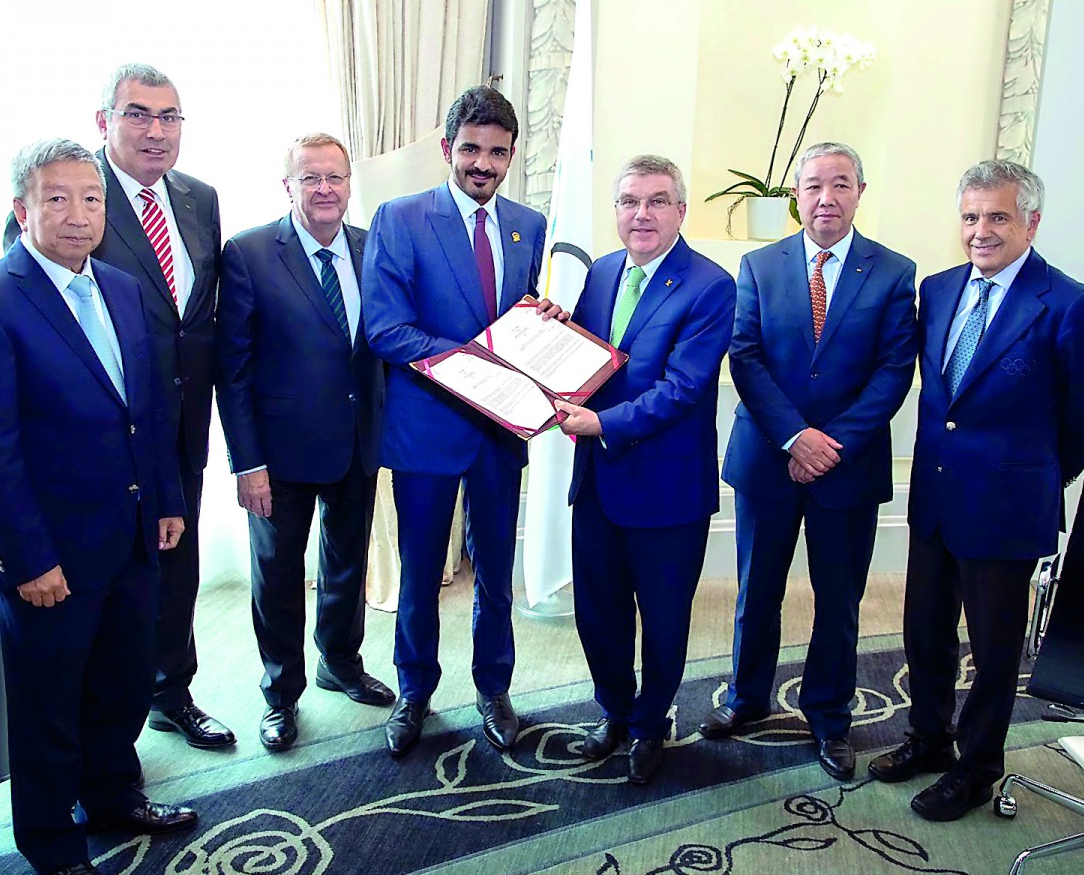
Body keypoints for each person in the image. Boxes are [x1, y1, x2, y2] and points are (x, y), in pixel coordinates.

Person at [0, 139, 198, 875]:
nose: (78, 214)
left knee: (120, 685)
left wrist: (168, 501)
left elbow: (146, 408)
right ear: (22, 209)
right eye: (57, 198)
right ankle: (54, 846)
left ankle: (115, 799)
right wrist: (27, 559)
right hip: (49, 553)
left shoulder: (118, 286)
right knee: (49, 707)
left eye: (91, 197)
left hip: (131, 533)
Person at [870, 159, 1084, 821]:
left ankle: (977, 767)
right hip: (937, 500)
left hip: (1007, 509)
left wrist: (1040, 472)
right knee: (925, 632)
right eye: (971, 217)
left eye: (998, 217)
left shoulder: (1068, 303)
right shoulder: (942, 288)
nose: (980, 231)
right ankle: (928, 740)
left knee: (994, 647)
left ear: (1032, 222)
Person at [5, 62, 230, 749]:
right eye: (138, 114)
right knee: (98, 590)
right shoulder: (69, 197)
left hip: (179, 426)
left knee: (174, 562)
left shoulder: (200, 197)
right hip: (98, 440)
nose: (155, 131)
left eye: (169, 117)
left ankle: (172, 691)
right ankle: (95, 739)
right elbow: (29, 318)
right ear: (103, 121)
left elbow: (198, 314)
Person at [700, 142, 918, 781]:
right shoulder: (759, 264)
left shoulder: (894, 271)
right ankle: (746, 700)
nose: (826, 198)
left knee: (840, 598)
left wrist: (830, 444)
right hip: (769, 459)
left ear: (860, 191)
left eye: (841, 185)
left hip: (847, 466)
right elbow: (745, 356)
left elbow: (893, 370)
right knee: (755, 591)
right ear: (797, 193)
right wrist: (796, 437)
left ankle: (829, 717)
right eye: (814, 185)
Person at [362, 85, 563, 757]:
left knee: (495, 571)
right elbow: (385, 329)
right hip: (428, 426)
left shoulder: (528, 227)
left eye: (497, 152)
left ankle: (494, 688)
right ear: (448, 148)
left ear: (512, 157)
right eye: (471, 149)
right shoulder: (399, 217)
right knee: (421, 575)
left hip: (500, 436)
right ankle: (414, 693)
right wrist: (470, 365)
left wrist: (546, 327)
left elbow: (521, 322)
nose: (483, 163)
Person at [555, 155, 736, 784]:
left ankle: (652, 724)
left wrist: (602, 424)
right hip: (599, 482)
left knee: (662, 619)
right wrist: (551, 333)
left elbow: (684, 389)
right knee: (598, 610)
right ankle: (614, 713)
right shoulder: (602, 273)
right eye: (630, 201)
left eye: (657, 201)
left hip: (666, 488)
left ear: (681, 211)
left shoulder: (710, 286)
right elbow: (582, 360)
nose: (642, 214)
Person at [215, 133, 393, 752]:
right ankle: (279, 692)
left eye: (335, 178)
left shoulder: (375, 249)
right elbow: (231, 370)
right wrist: (248, 463)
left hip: (356, 443)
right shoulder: (249, 253)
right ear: (287, 185)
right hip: (279, 455)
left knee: (347, 565)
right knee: (278, 574)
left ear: (350, 184)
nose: (325, 189)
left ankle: (339, 663)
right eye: (310, 178)